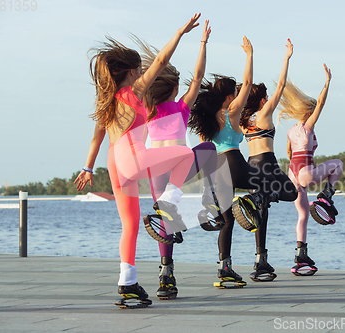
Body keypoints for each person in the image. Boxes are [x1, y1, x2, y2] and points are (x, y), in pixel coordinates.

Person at [74, 14, 201, 304]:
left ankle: (127, 281)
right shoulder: (134, 92)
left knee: (129, 225)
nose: (144, 73)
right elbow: (161, 60)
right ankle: (170, 200)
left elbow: (97, 138)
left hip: (114, 162)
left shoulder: (106, 101)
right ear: (132, 72)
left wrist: (87, 167)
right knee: (185, 154)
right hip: (132, 155)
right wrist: (180, 32)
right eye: (140, 70)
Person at [188, 37, 279, 288]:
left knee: (227, 222)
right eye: (236, 94)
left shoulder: (206, 120)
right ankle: (249, 202)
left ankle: (224, 269)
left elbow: (205, 150)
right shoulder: (231, 112)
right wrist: (250, 55)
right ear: (230, 96)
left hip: (216, 169)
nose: (240, 95)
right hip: (233, 161)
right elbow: (248, 82)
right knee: (266, 184)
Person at [139, 20, 217, 299]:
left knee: (166, 219)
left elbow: (163, 65)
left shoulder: (149, 108)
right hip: (178, 168)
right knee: (207, 148)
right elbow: (198, 77)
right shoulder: (182, 108)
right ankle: (210, 199)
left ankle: (166, 273)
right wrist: (203, 43)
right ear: (174, 89)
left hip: (156, 168)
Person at [239, 39, 298, 282]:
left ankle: (260, 259)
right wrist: (286, 58)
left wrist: (249, 56)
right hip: (268, 164)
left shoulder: (243, 121)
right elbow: (282, 85)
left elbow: (246, 84)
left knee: (261, 212)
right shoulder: (264, 114)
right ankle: (269, 195)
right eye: (265, 96)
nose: (267, 99)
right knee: (291, 193)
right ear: (262, 100)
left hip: (251, 163)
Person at [279, 64, 343, 275]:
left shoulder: (290, 131)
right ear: (309, 111)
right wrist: (327, 82)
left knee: (303, 215)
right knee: (338, 164)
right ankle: (326, 194)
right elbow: (322, 102)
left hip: (292, 176)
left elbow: (289, 153)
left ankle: (300, 255)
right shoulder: (308, 127)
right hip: (306, 172)